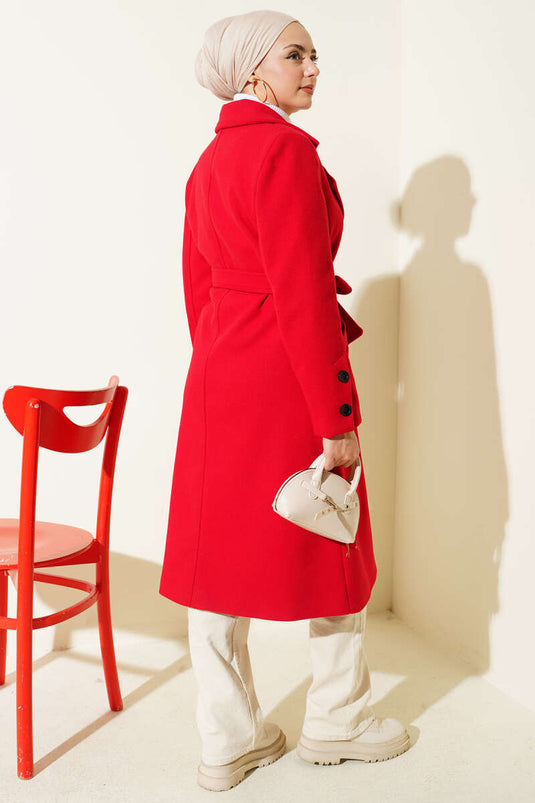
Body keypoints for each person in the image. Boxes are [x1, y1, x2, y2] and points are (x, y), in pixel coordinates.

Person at [159, 9, 410, 792]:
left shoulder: (210, 162)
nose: (312, 68)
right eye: (294, 55)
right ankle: (336, 719)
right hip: (284, 379)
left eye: (313, 54)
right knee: (330, 530)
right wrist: (335, 419)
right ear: (250, 71)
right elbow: (301, 294)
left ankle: (226, 737)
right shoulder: (285, 153)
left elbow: (196, 288)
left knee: (213, 558)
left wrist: (223, 364)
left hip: (219, 379)